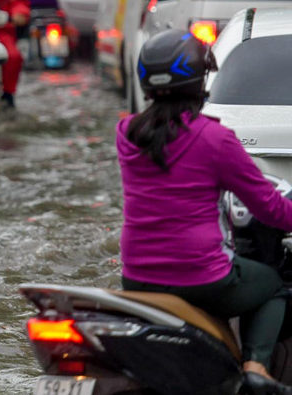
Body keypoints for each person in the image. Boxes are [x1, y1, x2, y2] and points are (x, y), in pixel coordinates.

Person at [118, 29, 292, 384]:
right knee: (275, 284)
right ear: (201, 80)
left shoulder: (126, 133)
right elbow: (270, 209)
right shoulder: (216, 139)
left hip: (135, 276)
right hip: (202, 277)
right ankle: (256, 368)